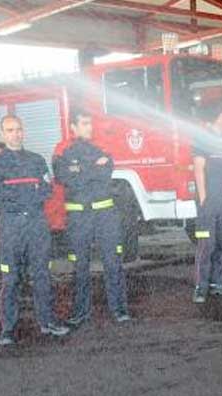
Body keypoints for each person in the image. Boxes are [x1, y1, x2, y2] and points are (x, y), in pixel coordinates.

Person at [0, 115, 69, 345]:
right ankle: (8, 329)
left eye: (19, 129)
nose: (15, 134)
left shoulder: (37, 159)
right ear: (3, 134)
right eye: (10, 130)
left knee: (42, 274)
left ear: (24, 131)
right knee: (10, 279)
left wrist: (22, 192)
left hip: (36, 224)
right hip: (12, 226)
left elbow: (46, 190)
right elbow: (0, 194)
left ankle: (47, 321)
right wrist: (27, 192)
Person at [52, 108, 131, 325]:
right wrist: (92, 169)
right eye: (85, 123)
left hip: (105, 216)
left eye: (90, 123)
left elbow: (106, 174)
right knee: (80, 267)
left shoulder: (102, 146)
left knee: (113, 263)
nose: (90, 127)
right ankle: (81, 312)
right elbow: (64, 177)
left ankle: (119, 310)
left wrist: (81, 171)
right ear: (74, 127)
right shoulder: (62, 149)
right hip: (79, 218)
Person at [190, 102, 222, 303]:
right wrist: (203, 199)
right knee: (206, 245)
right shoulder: (203, 137)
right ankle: (200, 289)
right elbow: (198, 168)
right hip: (209, 201)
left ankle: (217, 284)